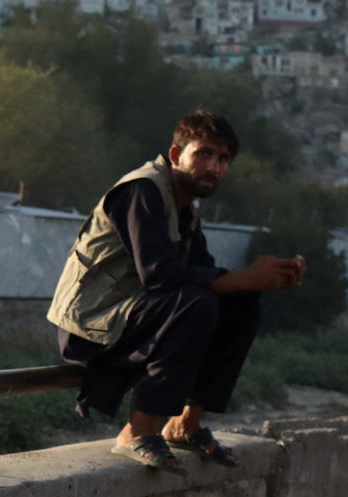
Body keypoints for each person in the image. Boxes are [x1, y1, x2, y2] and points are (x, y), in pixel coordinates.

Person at [47, 108, 307, 475]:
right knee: (197, 303)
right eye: (204, 153)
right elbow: (160, 277)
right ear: (175, 155)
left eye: (223, 158)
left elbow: (204, 271)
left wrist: (264, 279)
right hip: (93, 326)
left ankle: (184, 424)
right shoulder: (143, 190)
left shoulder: (186, 206)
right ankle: (137, 431)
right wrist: (245, 277)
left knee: (241, 303)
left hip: (136, 318)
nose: (214, 166)